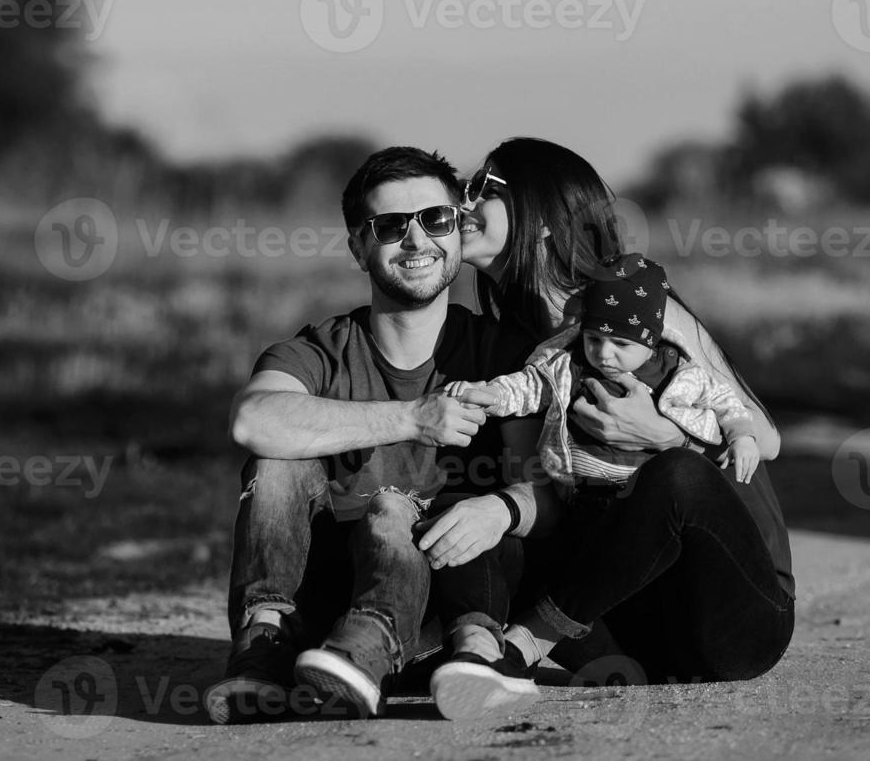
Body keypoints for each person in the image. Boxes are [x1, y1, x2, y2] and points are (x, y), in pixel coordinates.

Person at [205, 146, 548, 724]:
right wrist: (411, 417)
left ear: (460, 233)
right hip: (324, 614)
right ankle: (263, 651)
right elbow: (252, 420)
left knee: (400, 512)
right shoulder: (318, 349)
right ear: (359, 247)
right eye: (390, 227)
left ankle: (391, 654)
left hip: (445, 620)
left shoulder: (505, 354)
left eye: (436, 220)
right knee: (277, 458)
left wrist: (504, 507)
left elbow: (553, 488)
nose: (417, 242)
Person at [453, 137, 796, 693]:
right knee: (489, 522)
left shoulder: (634, 308)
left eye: (483, 189)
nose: (465, 204)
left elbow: (768, 439)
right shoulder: (518, 353)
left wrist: (664, 434)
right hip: (635, 630)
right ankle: (438, 652)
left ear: (542, 216)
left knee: (676, 474)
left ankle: (527, 643)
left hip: (738, 615)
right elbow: (538, 492)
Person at [446, 251, 762, 488]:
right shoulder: (571, 365)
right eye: (593, 339)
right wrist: (490, 394)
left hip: (651, 488)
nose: (603, 354)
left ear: (651, 341)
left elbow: (725, 401)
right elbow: (528, 387)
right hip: (580, 491)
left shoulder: (679, 370)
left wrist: (742, 437)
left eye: (621, 345)